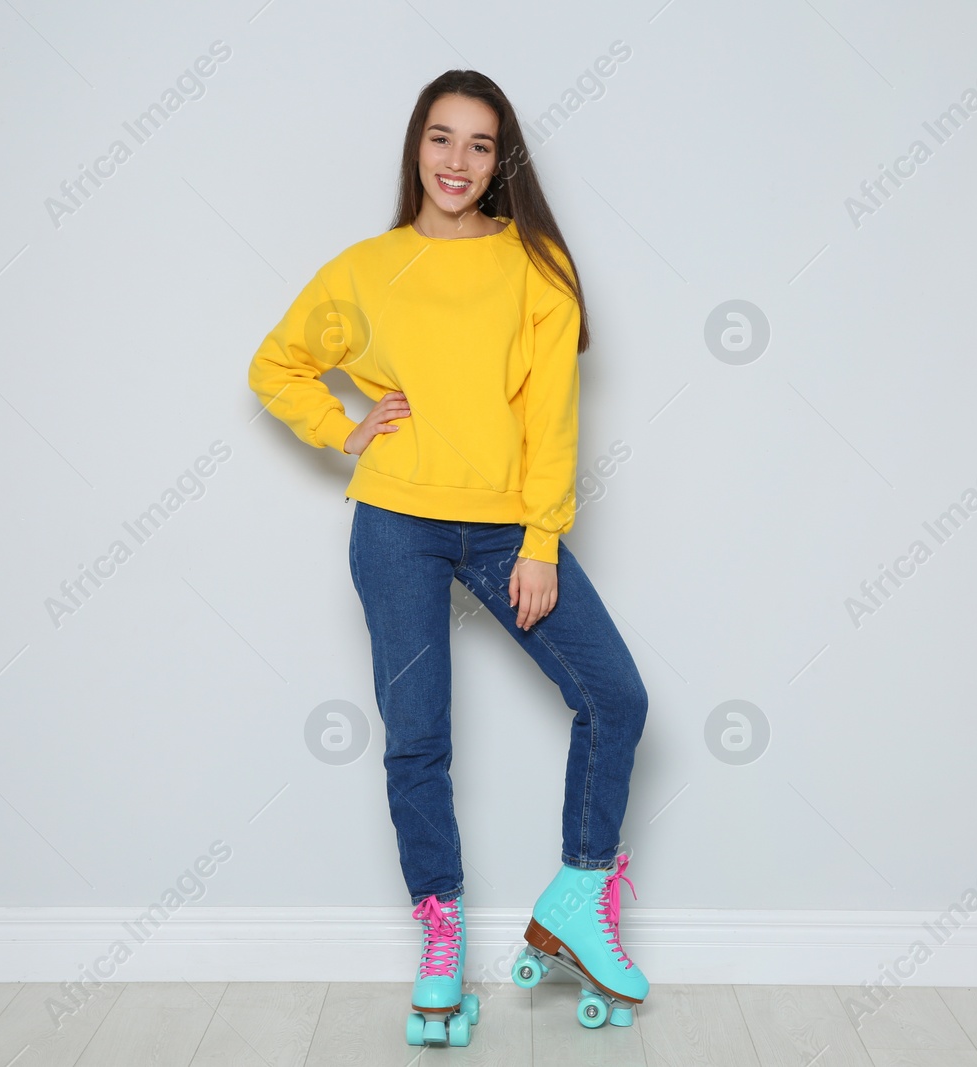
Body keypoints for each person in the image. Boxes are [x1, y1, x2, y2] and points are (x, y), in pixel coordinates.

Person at [247, 69, 650, 1045]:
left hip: (507, 527)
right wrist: (343, 427)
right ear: (415, 148)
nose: (456, 161)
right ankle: (439, 940)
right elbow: (275, 362)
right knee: (416, 736)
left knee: (615, 697)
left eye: (478, 143)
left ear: (500, 159)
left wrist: (541, 539)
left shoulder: (535, 267)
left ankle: (575, 898)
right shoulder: (368, 266)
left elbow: (552, 417)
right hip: (393, 523)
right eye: (440, 138)